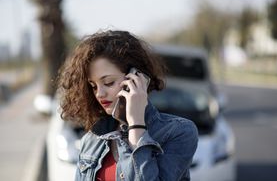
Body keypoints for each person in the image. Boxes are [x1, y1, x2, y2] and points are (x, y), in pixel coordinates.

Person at [58, 30, 198, 181]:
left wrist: (136, 125)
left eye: (108, 83)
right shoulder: (91, 140)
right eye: (93, 86)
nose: (99, 93)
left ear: (136, 78)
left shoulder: (179, 132)